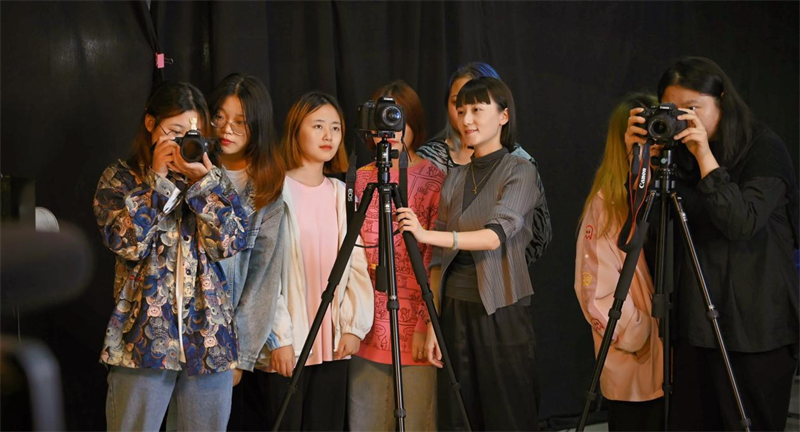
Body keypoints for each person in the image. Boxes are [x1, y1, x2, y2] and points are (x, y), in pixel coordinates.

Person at [626, 56, 800, 431]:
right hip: (694, 324)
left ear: (721, 100)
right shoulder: (671, 155)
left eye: (693, 108)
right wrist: (638, 162)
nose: (684, 120)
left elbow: (741, 222)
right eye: (674, 110)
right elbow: (646, 230)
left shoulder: (763, 147)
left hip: (754, 326)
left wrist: (705, 156)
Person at [94, 81, 249, 432]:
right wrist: (158, 182)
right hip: (142, 341)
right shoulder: (120, 178)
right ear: (151, 123)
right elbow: (127, 243)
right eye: (175, 132)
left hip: (209, 340)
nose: (183, 143)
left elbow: (230, 243)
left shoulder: (213, 180)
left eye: (193, 134)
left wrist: (203, 186)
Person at [398, 77, 541, 431]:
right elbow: (437, 260)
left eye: (477, 109)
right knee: (457, 416)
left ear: (503, 116)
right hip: (453, 309)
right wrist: (433, 323)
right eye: (461, 111)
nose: (466, 119)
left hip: (501, 310)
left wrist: (425, 233)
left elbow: (494, 237)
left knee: (506, 414)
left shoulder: (521, 170)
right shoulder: (456, 177)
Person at [263, 91, 373, 432]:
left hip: (333, 341)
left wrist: (353, 327)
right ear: (296, 130)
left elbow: (356, 263)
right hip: (289, 344)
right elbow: (264, 275)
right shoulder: (274, 190)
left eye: (336, 128)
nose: (329, 136)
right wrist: (279, 338)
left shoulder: (342, 194)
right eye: (318, 126)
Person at [347, 80, 445, 431]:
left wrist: (426, 324)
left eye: (395, 120)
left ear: (412, 123)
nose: (387, 132)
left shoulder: (434, 179)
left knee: (417, 421)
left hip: (414, 328)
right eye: (380, 121)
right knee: (366, 421)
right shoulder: (359, 180)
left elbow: (435, 258)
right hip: (365, 327)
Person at [575, 93, 664, 431]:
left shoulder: (673, 189)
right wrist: (638, 332)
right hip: (638, 358)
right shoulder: (609, 202)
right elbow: (593, 288)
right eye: (643, 132)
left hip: (676, 354)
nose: (653, 141)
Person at [206, 73, 286, 432]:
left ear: (258, 126)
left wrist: (239, 354)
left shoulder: (267, 190)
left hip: (225, 339)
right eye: (219, 117)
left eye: (240, 121)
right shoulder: (193, 170)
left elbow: (263, 278)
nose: (227, 128)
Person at [416, 61, 552, 264]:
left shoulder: (520, 163)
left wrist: (504, 270)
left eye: (477, 107)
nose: (467, 118)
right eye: (459, 105)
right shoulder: (430, 159)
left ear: (501, 111)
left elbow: (538, 232)